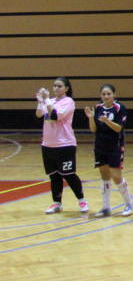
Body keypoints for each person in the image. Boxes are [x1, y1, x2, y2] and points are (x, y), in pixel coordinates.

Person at [36, 77, 87, 214]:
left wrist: (46, 100)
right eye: (55, 86)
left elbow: (55, 115)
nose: (56, 88)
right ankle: (57, 203)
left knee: (69, 174)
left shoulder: (68, 101)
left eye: (59, 86)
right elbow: (39, 114)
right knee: (54, 176)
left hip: (65, 144)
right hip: (48, 144)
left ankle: (82, 200)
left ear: (66, 88)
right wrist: (40, 101)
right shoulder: (50, 101)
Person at [85, 83, 133, 217]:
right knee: (104, 177)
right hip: (100, 147)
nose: (106, 96)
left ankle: (129, 204)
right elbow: (93, 129)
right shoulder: (98, 108)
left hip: (115, 147)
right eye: (103, 94)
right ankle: (106, 207)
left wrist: (107, 121)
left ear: (114, 95)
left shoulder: (119, 108)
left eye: (108, 94)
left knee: (116, 177)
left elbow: (119, 128)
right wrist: (91, 118)